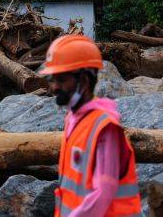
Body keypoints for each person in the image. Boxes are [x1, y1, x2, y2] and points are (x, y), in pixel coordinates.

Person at [39, 35, 141, 217]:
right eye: (52, 80)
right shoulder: (74, 119)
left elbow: (103, 193)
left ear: (84, 81)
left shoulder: (105, 128)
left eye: (61, 79)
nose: (54, 87)